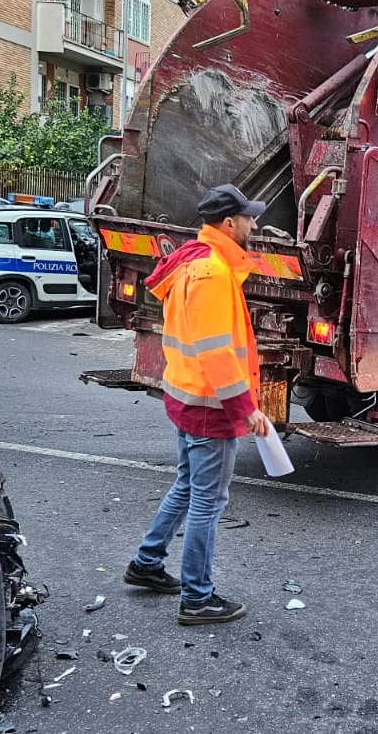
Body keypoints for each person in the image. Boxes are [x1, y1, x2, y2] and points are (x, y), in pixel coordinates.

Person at [124, 183, 270, 625]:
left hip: (187, 395)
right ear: (230, 223)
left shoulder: (192, 262)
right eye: (248, 218)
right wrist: (247, 409)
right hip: (209, 404)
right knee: (208, 501)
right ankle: (198, 597)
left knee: (189, 488)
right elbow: (216, 352)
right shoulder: (212, 273)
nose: (255, 224)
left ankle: (147, 564)